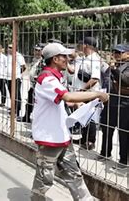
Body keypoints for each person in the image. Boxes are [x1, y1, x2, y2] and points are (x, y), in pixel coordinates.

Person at [31, 42, 109, 201]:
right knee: (44, 177)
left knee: (74, 173)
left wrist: (76, 103)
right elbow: (66, 96)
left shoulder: (54, 77)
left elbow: (62, 100)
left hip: (61, 136)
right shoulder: (47, 78)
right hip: (49, 138)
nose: (67, 59)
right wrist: (96, 94)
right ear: (54, 59)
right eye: (64, 57)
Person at [98, 44, 129, 170]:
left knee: (123, 133)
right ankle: (105, 153)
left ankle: (123, 160)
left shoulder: (126, 66)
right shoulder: (115, 65)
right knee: (106, 129)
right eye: (115, 52)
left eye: (119, 52)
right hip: (110, 102)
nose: (116, 54)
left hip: (124, 105)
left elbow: (126, 80)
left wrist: (113, 69)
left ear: (127, 54)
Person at [74, 37, 101, 150]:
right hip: (84, 92)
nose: (80, 46)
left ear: (86, 45)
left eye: (82, 44)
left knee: (90, 117)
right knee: (84, 116)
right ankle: (84, 138)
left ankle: (90, 141)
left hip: (90, 93)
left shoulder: (94, 59)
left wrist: (82, 90)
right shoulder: (86, 58)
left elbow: (95, 78)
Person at [22, 44, 45, 123]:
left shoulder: (42, 62)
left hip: (38, 85)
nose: (37, 52)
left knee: (35, 103)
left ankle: (30, 118)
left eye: (39, 50)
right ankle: (26, 117)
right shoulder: (34, 60)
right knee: (29, 101)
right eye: (36, 50)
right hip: (33, 84)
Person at [5, 44, 26, 119]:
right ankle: (13, 108)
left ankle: (17, 110)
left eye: (11, 48)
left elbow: (24, 67)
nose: (9, 49)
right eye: (8, 47)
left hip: (16, 78)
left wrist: (18, 74)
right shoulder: (8, 56)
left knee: (17, 95)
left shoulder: (18, 56)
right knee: (11, 94)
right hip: (8, 78)